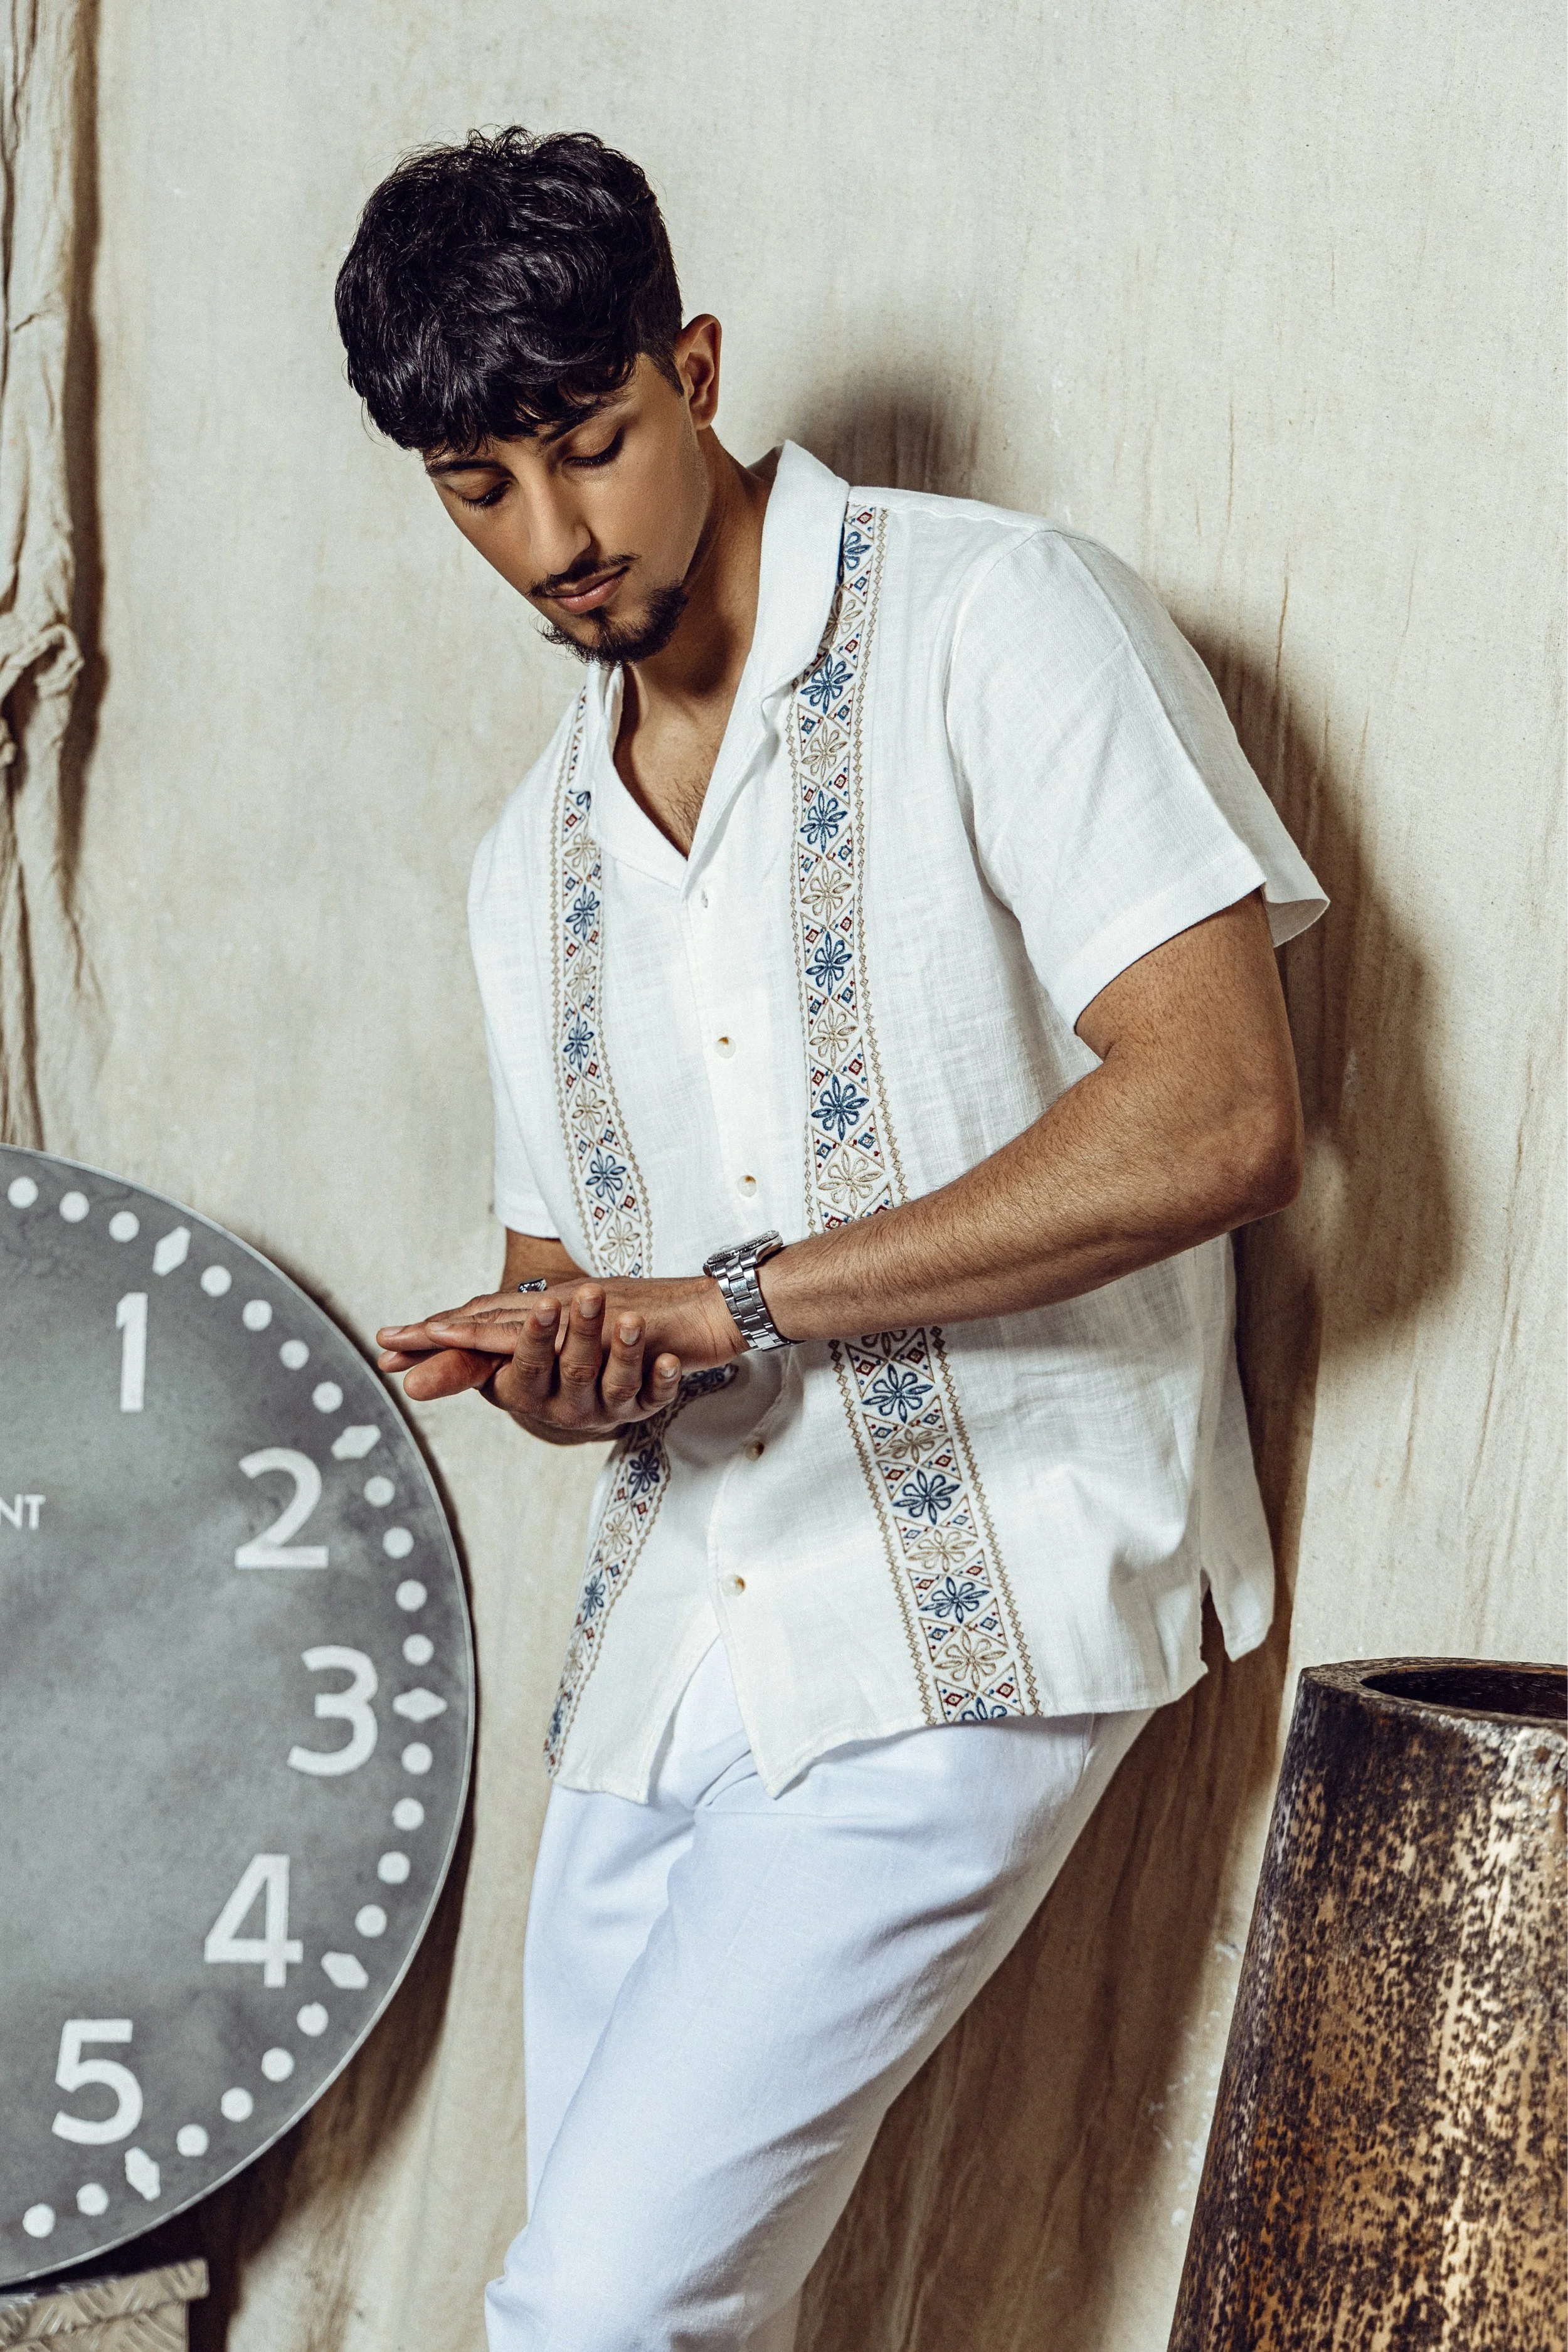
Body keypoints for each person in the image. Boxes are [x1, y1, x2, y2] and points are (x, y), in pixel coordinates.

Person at [337, 126, 1325, 2352]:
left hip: (972, 1588)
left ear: (692, 368)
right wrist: (569, 1356)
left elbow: (1222, 1107)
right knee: (636, 2316)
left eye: (590, 446)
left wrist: (737, 1293)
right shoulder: (534, 856)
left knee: (593, 2315)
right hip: (669, 1640)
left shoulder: (998, 618)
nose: (556, 540)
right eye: (479, 487)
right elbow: (570, 1267)